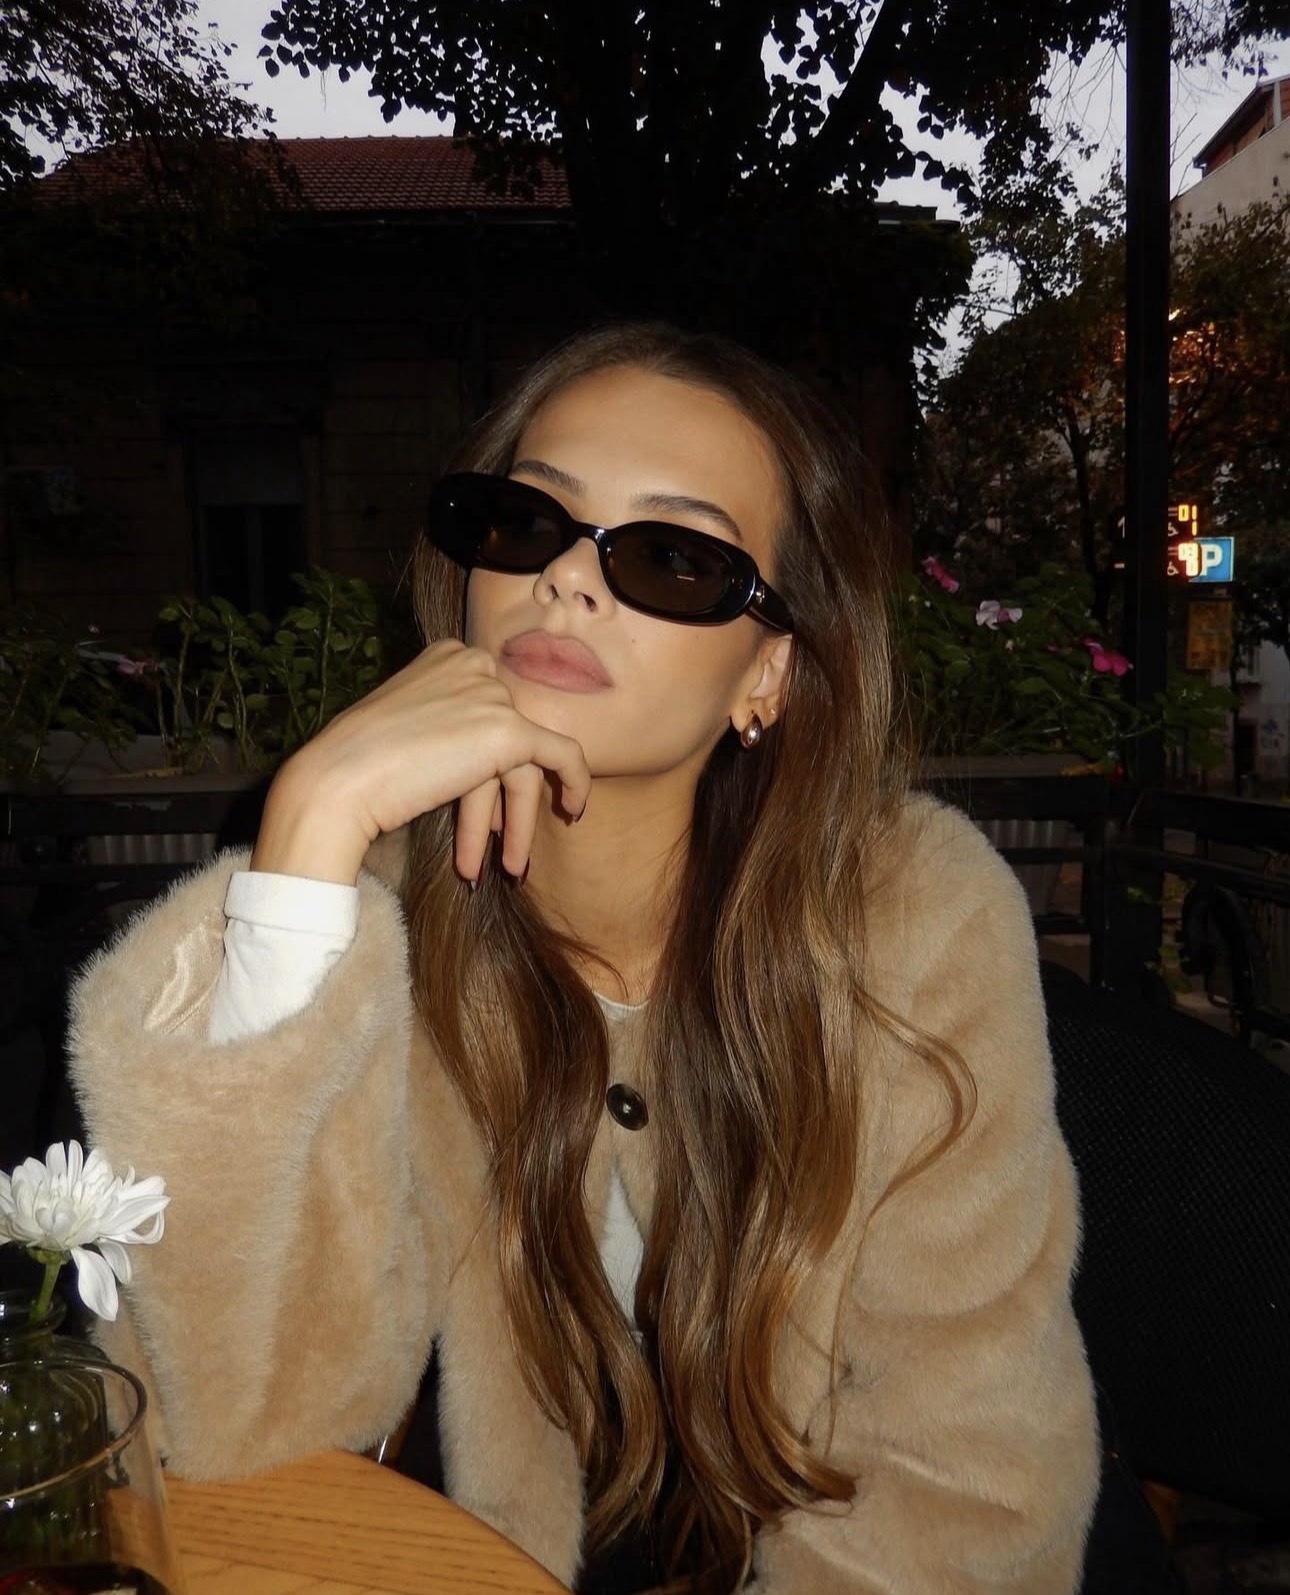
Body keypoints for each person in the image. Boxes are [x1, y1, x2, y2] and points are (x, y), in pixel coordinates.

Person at [69, 322, 1099, 1594]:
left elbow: (968, 1485)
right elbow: (217, 1423)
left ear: (770, 672)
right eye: (527, 522)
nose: (565, 578)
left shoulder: (914, 918)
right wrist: (306, 838)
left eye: (673, 556)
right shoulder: (360, 917)